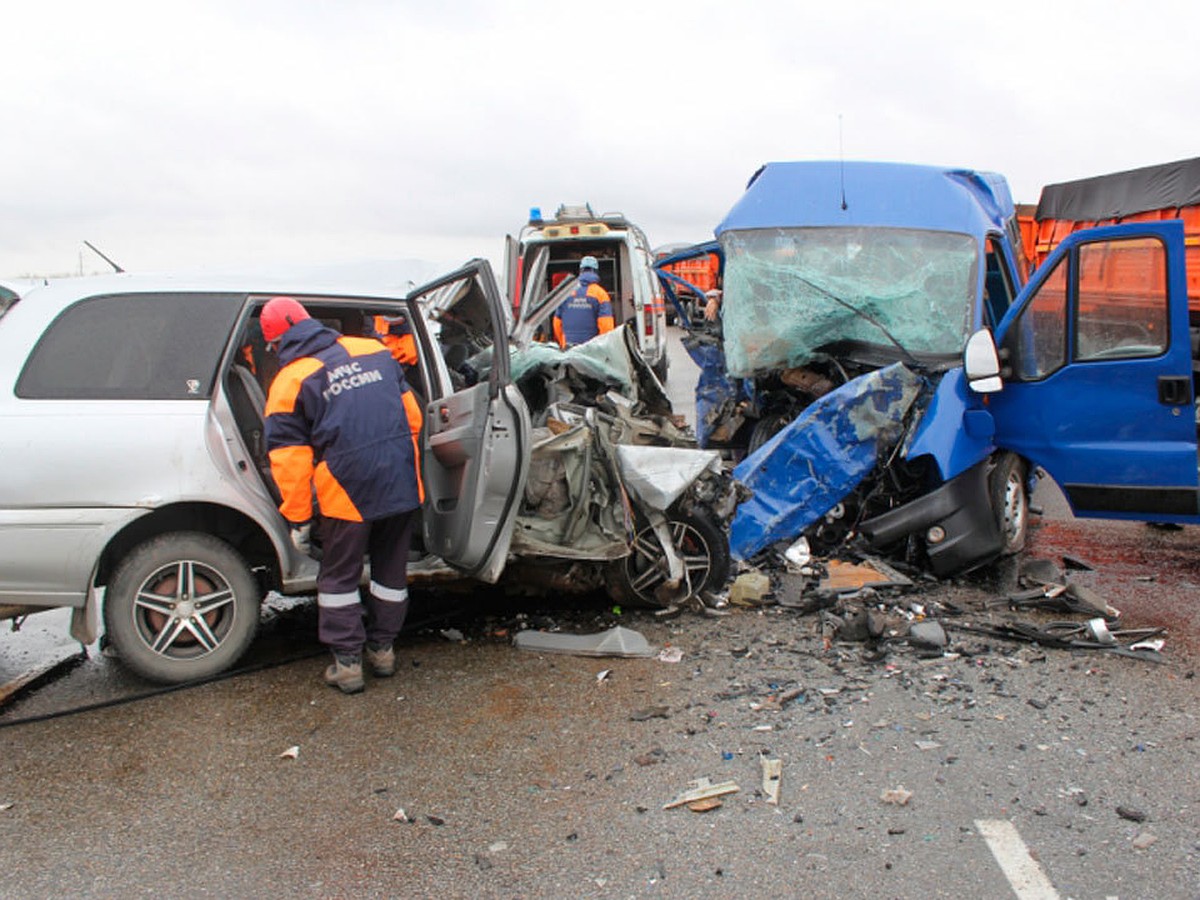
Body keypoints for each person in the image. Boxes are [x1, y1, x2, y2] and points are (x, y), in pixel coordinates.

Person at [261, 297, 424, 694]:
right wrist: (402, 463)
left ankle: (348, 664)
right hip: (400, 481)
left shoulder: (289, 381)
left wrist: (298, 518)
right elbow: (414, 417)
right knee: (390, 572)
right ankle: (383, 651)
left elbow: (290, 461)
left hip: (346, 490)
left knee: (339, 578)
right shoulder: (374, 350)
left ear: (276, 343)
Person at [552, 255, 614, 349]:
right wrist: (603, 348)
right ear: (596, 271)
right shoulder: (601, 294)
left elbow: (557, 323)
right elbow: (606, 326)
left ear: (580, 271)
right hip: (591, 350)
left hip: (569, 348)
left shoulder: (566, 292)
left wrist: (563, 342)